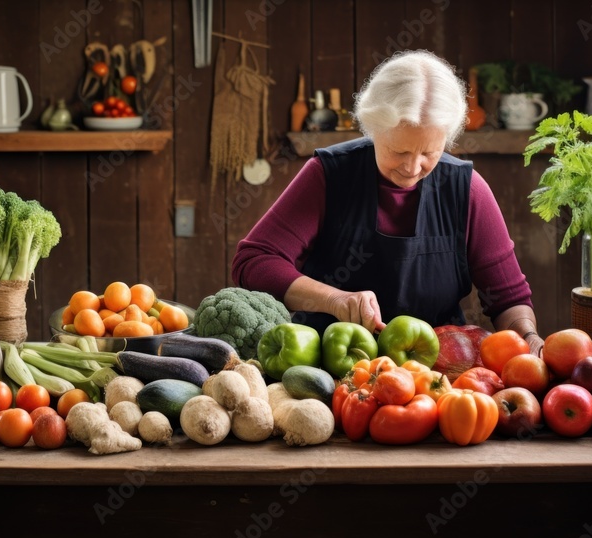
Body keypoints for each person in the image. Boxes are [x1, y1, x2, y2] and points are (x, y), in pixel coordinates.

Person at [231, 50, 543, 355]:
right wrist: (333, 299)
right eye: (399, 152)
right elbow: (254, 261)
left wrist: (529, 338)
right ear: (374, 129)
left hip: (437, 376)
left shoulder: (467, 189)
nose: (412, 168)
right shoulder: (329, 175)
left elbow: (508, 299)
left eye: (428, 153)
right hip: (328, 368)